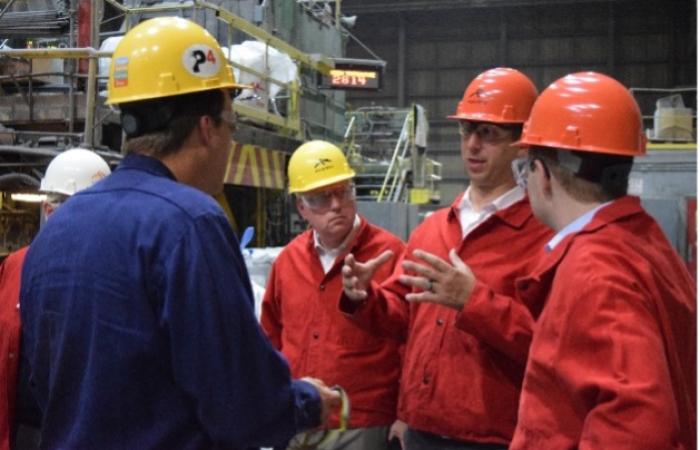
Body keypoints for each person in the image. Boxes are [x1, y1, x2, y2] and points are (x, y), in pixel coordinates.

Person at [19, 17, 340, 450]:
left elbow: (40, 388)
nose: (231, 141)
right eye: (231, 125)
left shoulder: (57, 231)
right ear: (207, 128)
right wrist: (306, 403)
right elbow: (240, 406)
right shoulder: (189, 223)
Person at [340, 68, 553, 450]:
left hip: (494, 438)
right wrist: (365, 298)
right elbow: (402, 316)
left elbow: (551, 344)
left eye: (488, 133)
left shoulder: (542, 237)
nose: (472, 145)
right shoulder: (434, 228)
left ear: (523, 142)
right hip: (424, 430)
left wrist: (474, 302)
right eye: (467, 130)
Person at [504, 72, 695, 449]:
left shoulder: (595, 270)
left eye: (526, 169)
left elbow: (637, 428)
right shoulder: (643, 239)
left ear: (541, 175)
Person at [261, 140, 405, 450]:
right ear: (301, 207)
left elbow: (412, 339)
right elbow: (270, 338)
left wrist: (406, 414)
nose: (336, 204)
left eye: (343, 191)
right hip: (299, 418)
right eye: (321, 198)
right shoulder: (288, 262)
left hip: (362, 422)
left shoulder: (390, 254)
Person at [0, 148, 111, 450]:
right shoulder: (16, 266)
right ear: (48, 209)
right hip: (26, 430)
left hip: (90, 432)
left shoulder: (119, 270)